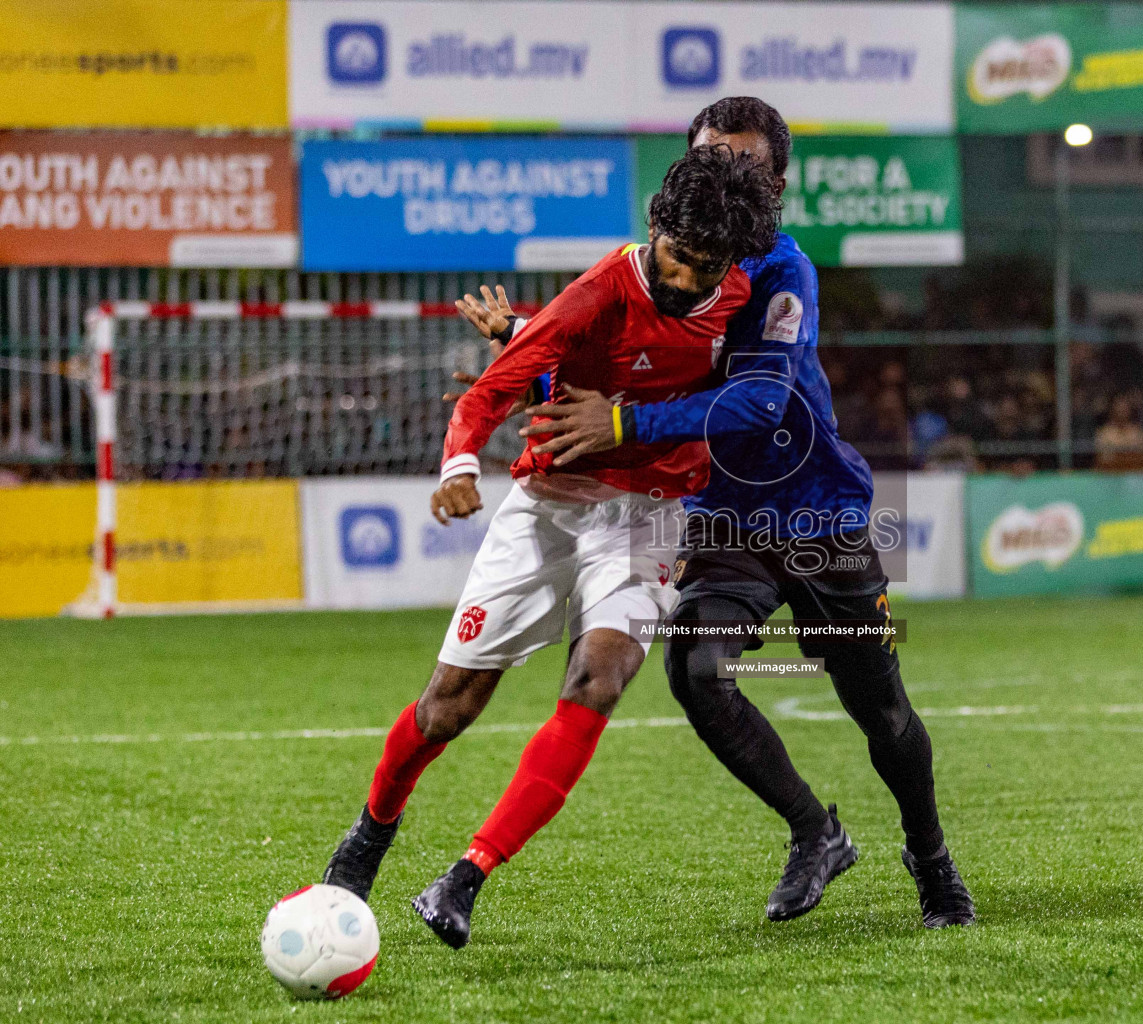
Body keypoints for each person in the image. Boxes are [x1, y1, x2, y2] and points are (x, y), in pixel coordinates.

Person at [456, 98, 974, 928]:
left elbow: (759, 400)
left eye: (742, 163)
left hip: (817, 517)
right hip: (721, 518)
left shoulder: (781, 273)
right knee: (695, 669)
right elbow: (639, 363)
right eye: (710, 157)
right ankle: (815, 832)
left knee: (878, 706)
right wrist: (528, 339)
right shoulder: (677, 258)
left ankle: (933, 860)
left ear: (777, 181)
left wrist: (620, 422)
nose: (724, 174)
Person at [320, 145, 781, 950]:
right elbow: (490, 391)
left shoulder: (744, 297)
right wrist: (459, 463)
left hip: (652, 515)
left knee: (599, 677)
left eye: (705, 269)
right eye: (676, 259)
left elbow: (736, 392)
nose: (685, 281)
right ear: (653, 230)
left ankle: (465, 878)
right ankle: (369, 835)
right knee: (446, 708)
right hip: (551, 506)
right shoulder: (596, 295)